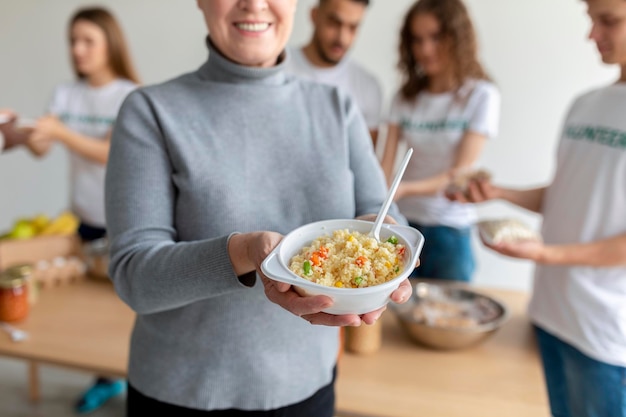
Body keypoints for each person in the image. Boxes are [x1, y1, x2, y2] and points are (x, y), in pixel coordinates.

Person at [104, 0, 412, 416]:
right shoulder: (150, 111)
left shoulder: (337, 108)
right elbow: (134, 278)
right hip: (181, 396)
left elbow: (382, 214)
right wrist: (245, 252)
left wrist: (381, 252)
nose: (253, 3)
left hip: (309, 390)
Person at [448, 0, 626, 414]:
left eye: (609, 21)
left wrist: (545, 254)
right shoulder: (585, 104)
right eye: (591, 20)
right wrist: (500, 193)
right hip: (550, 312)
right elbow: (568, 192)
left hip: (606, 333)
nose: (592, 35)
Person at [24, 6, 139, 414]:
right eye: (73, 41)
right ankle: (104, 380)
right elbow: (42, 148)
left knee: (119, 314)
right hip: (81, 220)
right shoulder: (64, 93)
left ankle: (125, 378)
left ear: (111, 43)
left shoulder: (128, 95)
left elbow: (109, 153)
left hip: (123, 224)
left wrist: (58, 131)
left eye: (88, 40)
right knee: (83, 313)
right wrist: (24, 134)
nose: (78, 50)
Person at [379, 0, 500, 282]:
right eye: (417, 40)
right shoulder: (404, 97)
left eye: (435, 37)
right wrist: (380, 197)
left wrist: (404, 189)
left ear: (457, 37)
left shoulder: (480, 95)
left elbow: (460, 174)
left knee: (448, 318)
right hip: (402, 224)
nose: (425, 49)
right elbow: (385, 163)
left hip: (450, 229)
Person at [284, 0, 383, 148]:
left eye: (353, 27)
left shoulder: (368, 87)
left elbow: (365, 162)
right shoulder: (276, 67)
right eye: (334, 23)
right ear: (314, 15)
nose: (342, 38)